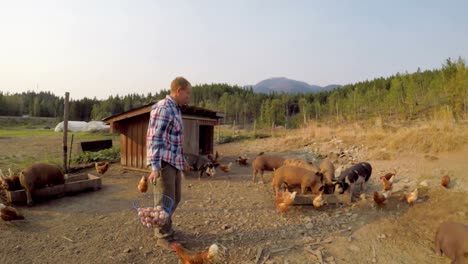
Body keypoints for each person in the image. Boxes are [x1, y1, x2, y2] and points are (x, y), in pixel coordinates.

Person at [146, 76, 191, 251]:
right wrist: (155, 166)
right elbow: (155, 138)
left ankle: (166, 227)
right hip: (163, 163)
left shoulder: (175, 109)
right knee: (165, 202)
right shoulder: (164, 108)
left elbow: (174, 140)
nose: (188, 96)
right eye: (187, 93)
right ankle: (163, 236)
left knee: (174, 199)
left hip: (173, 161)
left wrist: (183, 161)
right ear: (178, 91)